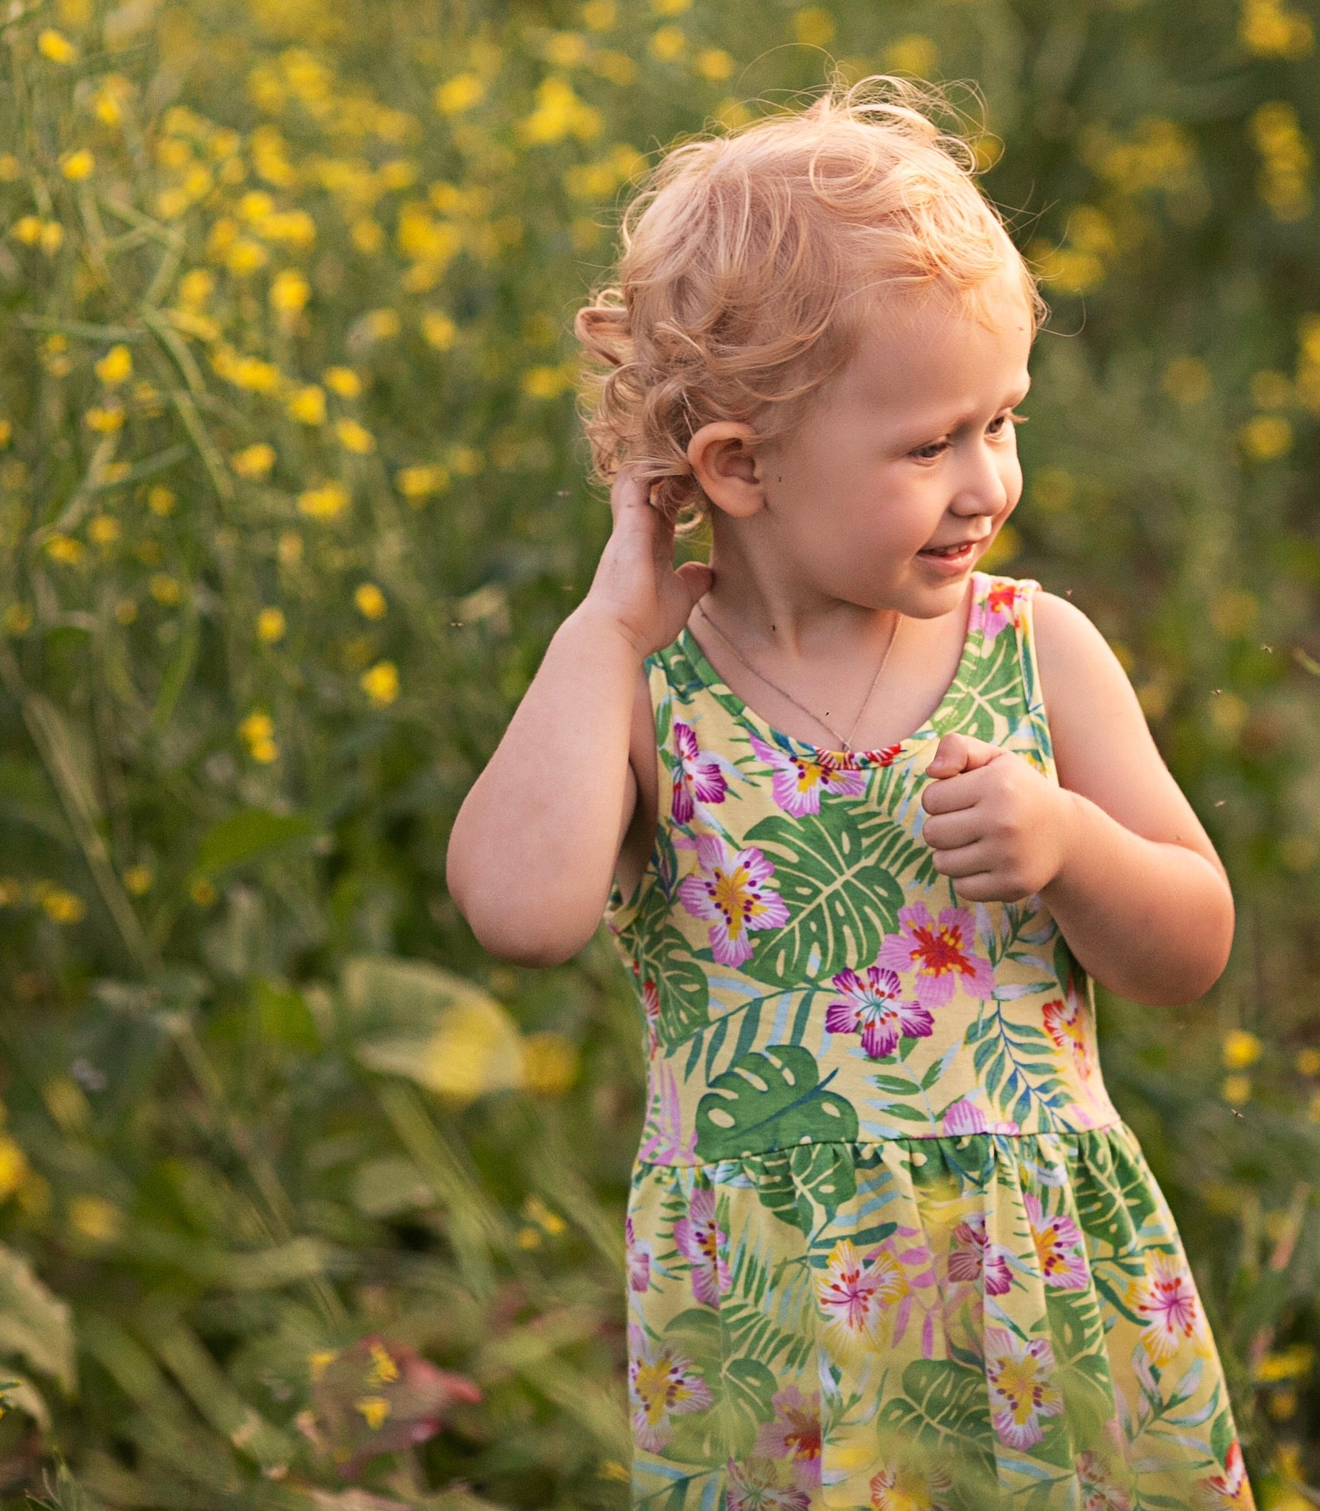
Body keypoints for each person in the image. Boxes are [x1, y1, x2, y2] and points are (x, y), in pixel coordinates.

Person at [445, 73, 1254, 1511]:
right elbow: (517, 909)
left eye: (1001, 420)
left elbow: (1193, 939)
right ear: (739, 468)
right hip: (775, 1348)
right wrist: (603, 626)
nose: (986, 479)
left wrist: (1068, 844)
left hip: (1039, 1300)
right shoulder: (644, 693)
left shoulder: (1034, 650)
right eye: (929, 442)